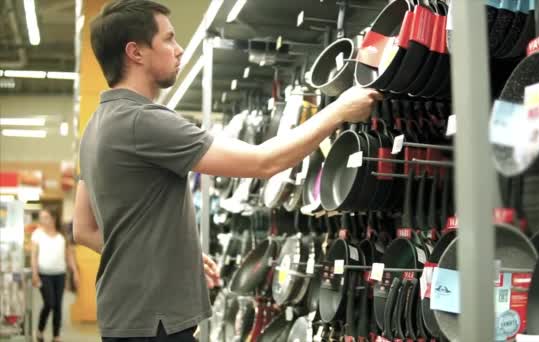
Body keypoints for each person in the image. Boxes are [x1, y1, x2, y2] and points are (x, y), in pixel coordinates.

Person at [73, 0, 381, 341]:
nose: (179, 51)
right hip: (154, 321)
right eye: (169, 39)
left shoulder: (95, 127)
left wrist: (172, 257)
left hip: (123, 313)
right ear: (136, 52)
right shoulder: (143, 121)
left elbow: (83, 229)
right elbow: (264, 162)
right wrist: (339, 110)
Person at [31, 208, 80, 342]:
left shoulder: (62, 235)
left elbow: (69, 255)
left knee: (58, 305)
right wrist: (35, 274)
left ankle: (56, 336)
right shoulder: (37, 234)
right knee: (49, 303)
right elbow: (34, 256)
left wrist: (75, 272)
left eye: (45, 217)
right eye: (41, 217)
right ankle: (40, 331)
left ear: (53, 219)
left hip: (60, 274)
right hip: (44, 274)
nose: (42, 220)